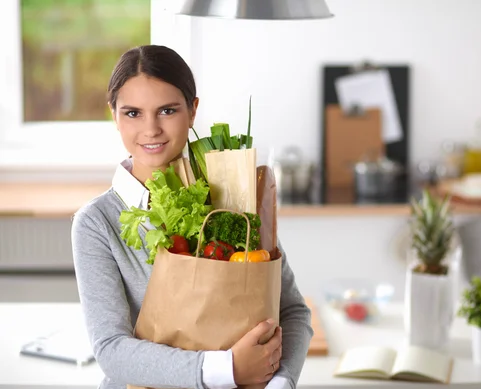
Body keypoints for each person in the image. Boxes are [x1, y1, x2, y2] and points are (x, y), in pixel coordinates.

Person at [71, 44, 313, 389]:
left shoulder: (233, 195)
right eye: (133, 113)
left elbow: (293, 313)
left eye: (167, 110)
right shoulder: (97, 223)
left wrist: (279, 381)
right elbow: (111, 350)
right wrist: (228, 369)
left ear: (193, 110)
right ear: (114, 115)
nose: (151, 129)